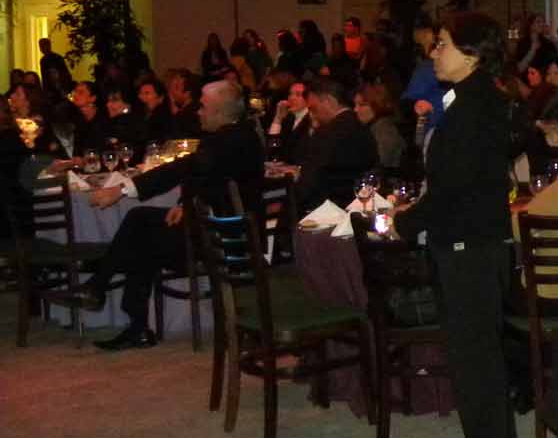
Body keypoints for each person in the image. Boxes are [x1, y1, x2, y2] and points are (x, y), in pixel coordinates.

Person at [393, 12, 520, 438]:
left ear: (471, 54)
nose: (434, 52)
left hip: (471, 248)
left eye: (442, 44)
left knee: (475, 370)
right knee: (480, 365)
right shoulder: (467, 98)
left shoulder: (474, 106)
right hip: (470, 244)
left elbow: (453, 187)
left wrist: (405, 222)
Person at [86, 80, 265, 352]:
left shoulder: (231, 139)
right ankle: (110, 298)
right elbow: (205, 178)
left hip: (228, 240)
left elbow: (185, 168)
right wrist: (186, 203)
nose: (198, 112)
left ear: (219, 112)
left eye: (203, 107)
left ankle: (107, 293)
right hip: (219, 228)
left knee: (141, 235)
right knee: (141, 223)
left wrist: (122, 190)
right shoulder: (236, 135)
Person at [291, 77, 380, 209]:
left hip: (326, 208)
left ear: (328, 101)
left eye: (314, 109)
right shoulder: (363, 127)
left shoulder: (327, 133)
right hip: (359, 204)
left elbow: (310, 182)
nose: (313, 115)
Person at [354, 83, 405, 170]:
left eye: (361, 105)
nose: (355, 109)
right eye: (355, 105)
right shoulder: (374, 127)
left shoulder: (384, 130)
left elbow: (380, 164)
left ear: (377, 105)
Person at [268, 79, 312, 161]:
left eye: (298, 95)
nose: (292, 98)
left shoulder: (312, 120)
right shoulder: (289, 119)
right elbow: (273, 148)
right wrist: (278, 118)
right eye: (290, 94)